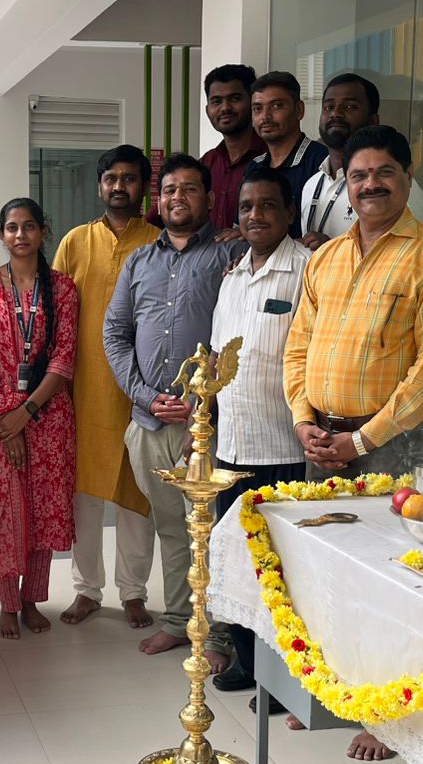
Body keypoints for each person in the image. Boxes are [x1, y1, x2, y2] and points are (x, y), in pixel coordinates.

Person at [283, 125, 423, 760]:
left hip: (393, 447)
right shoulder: (326, 258)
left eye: (384, 172)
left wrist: (362, 440)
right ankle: (334, 698)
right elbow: (298, 346)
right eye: (359, 175)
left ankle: (389, 719)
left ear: (408, 178)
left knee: (396, 584)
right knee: (329, 577)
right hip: (321, 440)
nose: (370, 185)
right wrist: (303, 418)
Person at [102, 153, 238, 670]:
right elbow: (116, 333)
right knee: (171, 529)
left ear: (209, 198)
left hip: (206, 427)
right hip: (149, 421)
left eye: (189, 189)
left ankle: (219, 632)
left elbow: (237, 336)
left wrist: (204, 406)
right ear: (157, 200)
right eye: (169, 190)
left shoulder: (231, 254)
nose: (177, 197)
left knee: (212, 532)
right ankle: (180, 621)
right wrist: (143, 395)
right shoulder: (140, 261)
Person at [206, 166, 312, 695]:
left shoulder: (307, 271)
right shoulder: (232, 277)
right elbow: (216, 358)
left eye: (268, 205)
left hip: (282, 446)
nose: (256, 215)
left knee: (281, 569)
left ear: (289, 212)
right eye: (247, 206)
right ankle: (248, 663)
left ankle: (283, 678)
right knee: (239, 562)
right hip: (231, 446)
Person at [52, 145, 158, 628]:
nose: (119, 186)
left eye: (129, 178)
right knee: (85, 497)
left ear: (144, 187)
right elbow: (54, 312)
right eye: (111, 178)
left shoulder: (158, 242)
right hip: (85, 390)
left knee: (139, 497)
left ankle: (133, 592)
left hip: (141, 392)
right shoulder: (75, 241)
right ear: (99, 186)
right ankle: (86, 589)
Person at [0, 198, 78, 639]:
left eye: (29, 226)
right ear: (1, 234)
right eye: (12, 227)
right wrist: (6, 421)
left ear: (43, 231)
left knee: (43, 512)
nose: (20, 235)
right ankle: (8, 604)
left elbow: (63, 358)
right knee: (5, 512)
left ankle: (31, 600)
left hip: (48, 417)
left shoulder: (63, 289)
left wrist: (26, 413)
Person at [298, 73, 423, 249]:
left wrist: (334, 251)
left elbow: (418, 253)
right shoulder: (312, 185)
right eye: (328, 107)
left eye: (349, 106)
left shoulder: (396, 186)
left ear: (373, 121)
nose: (335, 113)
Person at [148, 64, 261, 236]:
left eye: (235, 98)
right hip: (204, 252)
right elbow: (155, 217)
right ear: (208, 110)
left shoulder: (270, 160)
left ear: (253, 103)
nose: (225, 108)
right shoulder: (206, 163)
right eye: (216, 101)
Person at [248, 71, 329, 240]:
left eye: (277, 106)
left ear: (299, 110)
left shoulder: (323, 162)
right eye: (257, 109)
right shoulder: (254, 166)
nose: (265, 117)